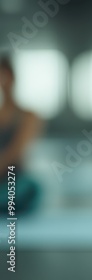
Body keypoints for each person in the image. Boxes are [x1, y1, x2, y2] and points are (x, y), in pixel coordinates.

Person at [0, 55, 43, 214]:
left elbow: (16, 152)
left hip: (15, 178)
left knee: (31, 189)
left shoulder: (29, 116)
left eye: (7, 76)